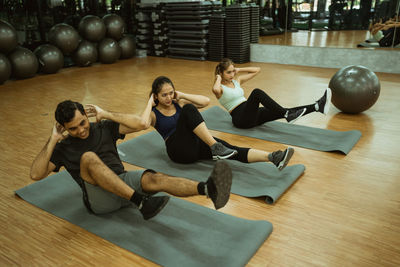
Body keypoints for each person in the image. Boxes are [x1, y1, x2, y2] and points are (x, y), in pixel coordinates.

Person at [30, 100, 233, 220]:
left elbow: (141, 124)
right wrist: (53, 139)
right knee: (89, 158)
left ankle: (208, 189)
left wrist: (106, 114)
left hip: (123, 182)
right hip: (100, 200)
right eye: (72, 128)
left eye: (82, 123)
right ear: (64, 127)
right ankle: (141, 202)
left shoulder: (104, 128)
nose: (80, 130)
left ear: (86, 114)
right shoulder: (63, 147)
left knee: (155, 178)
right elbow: (36, 174)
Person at [146, 76, 294, 171]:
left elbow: (205, 101)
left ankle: (273, 158)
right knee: (189, 109)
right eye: (164, 95)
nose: (168, 97)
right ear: (155, 96)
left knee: (231, 149)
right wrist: (149, 103)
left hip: (195, 144)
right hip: (178, 151)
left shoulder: (179, 103)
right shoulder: (153, 114)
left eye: (171, 93)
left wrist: (181, 95)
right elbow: (141, 123)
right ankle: (215, 146)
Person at [212, 58, 331, 129]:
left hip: (252, 114)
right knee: (256, 92)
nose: (232, 75)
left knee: (279, 110)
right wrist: (218, 77)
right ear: (221, 73)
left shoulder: (237, 81)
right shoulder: (220, 88)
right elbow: (215, 90)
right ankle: (287, 114)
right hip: (241, 119)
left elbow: (257, 70)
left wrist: (239, 69)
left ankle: (316, 107)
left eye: (233, 71)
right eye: (228, 72)